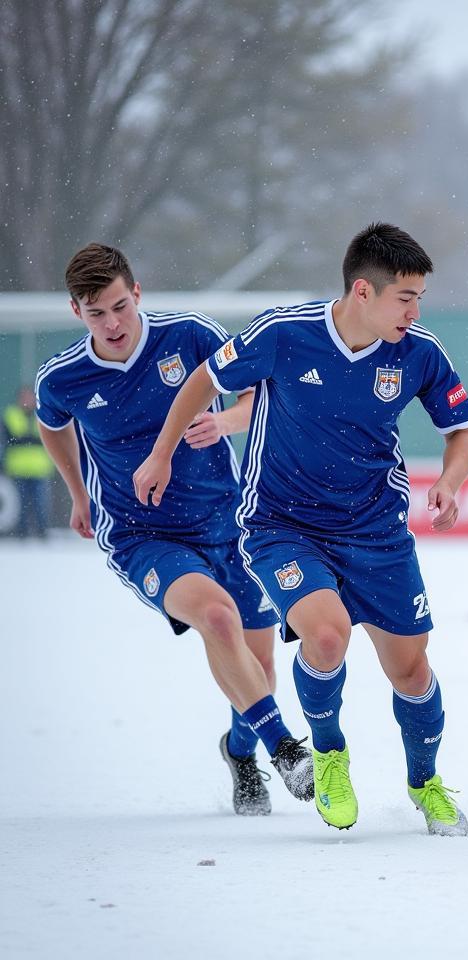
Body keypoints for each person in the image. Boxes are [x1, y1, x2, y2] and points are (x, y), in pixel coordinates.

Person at [134, 223, 468, 836]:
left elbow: (461, 432)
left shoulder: (418, 352)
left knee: (411, 671)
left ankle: (425, 782)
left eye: (420, 297)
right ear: (364, 292)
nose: (416, 310)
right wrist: (160, 454)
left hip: (377, 530)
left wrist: (450, 481)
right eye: (406, 297)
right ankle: (330, 754)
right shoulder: (283, 333)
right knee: (326, 637)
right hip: (281, 526)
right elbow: (202, 382)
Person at [35, 242, 313, 816]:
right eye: (96, 314)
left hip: (231, 521)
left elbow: (255, 392)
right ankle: (284, 747)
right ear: (76, 312)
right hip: (144, 536)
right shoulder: (62, 377)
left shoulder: (188, 335)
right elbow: (51, 425)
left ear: (136, 293)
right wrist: (78, 491)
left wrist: (225, 422)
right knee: (216, 618)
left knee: (259, 669)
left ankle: (240, 752)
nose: (112, 324)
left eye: (119, 306)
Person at [2, 385, 54, 538]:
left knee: (40, 503)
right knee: (21, 503)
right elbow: (9, 439)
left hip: (39, 468)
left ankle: (41, 531)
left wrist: (25, 439)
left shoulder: (41, 414)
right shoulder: (11, 414)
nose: (27, 401)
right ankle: (22, 531)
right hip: (18, 467)